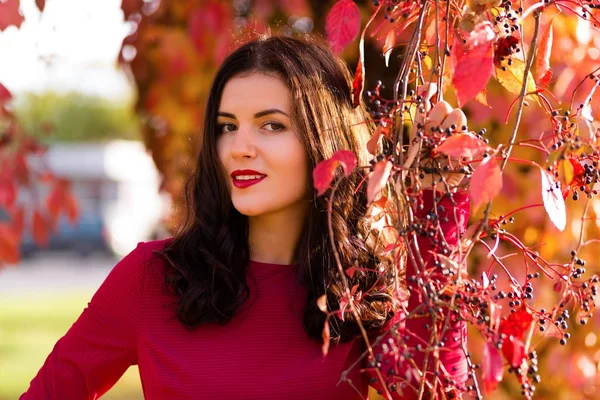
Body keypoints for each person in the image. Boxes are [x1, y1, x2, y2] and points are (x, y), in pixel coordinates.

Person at [20, 34, 470, 400]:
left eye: (271, 125)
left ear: (329, 145)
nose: (239, 147)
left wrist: (442, 216)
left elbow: (435, 391)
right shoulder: (152, 278)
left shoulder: (362, 292)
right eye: (227, 126)